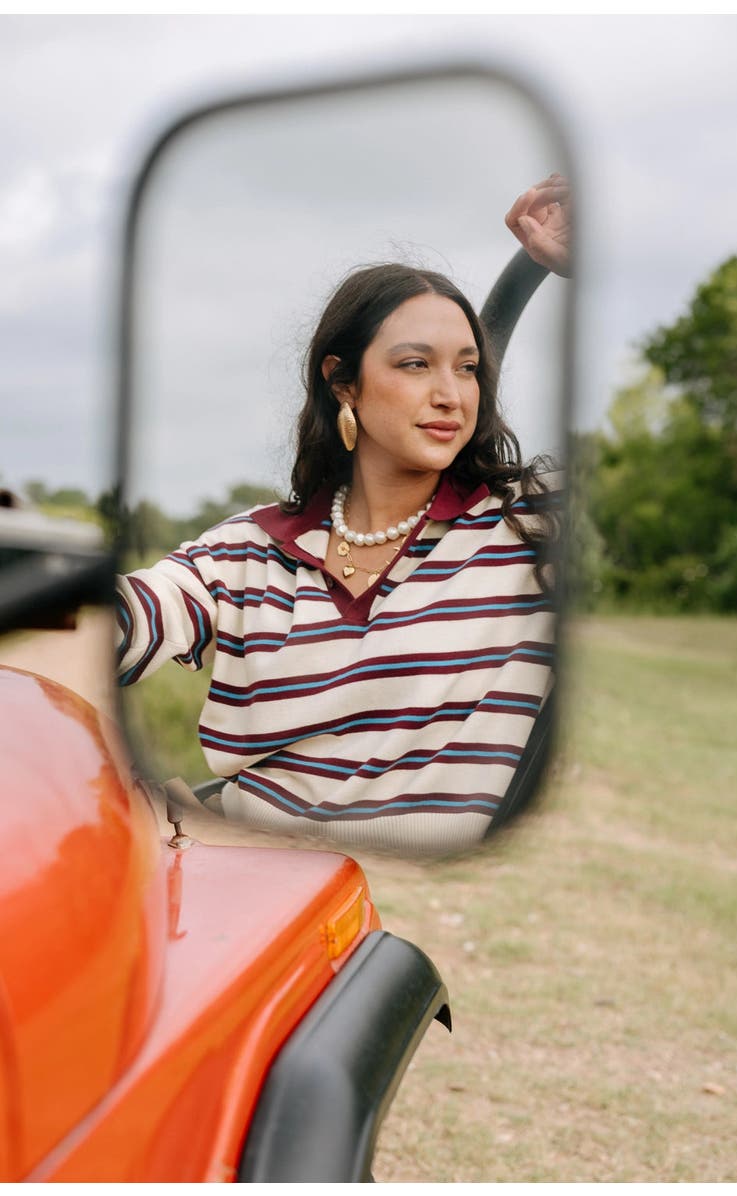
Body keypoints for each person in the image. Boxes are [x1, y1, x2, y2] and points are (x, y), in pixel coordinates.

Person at [116, 174, 571, 854]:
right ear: (343, 382)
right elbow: (128, 618)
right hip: (215, 865)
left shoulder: (523, 532)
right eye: (416, 364)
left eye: (469, 368)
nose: (451, 394)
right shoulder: (251, 548)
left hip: (360, 909)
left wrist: (564, 266)